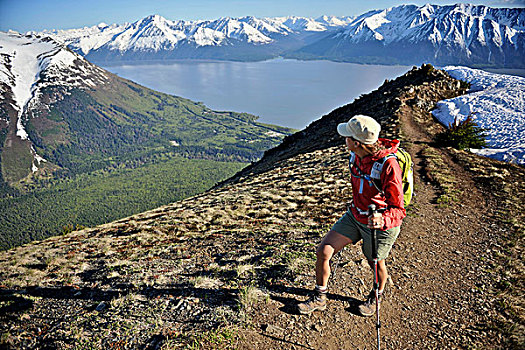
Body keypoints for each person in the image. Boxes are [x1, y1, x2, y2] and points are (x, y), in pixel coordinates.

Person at [298, 114, 406, 316]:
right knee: (324, 251)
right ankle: (320, 297)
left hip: (380, 225)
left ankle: (376, 297)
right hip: (355, 216)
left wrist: (382, 219)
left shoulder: (388, 165)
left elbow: (399, 209)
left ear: (356, 143)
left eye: (347, 137)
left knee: (375, 262)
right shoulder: (356, 156)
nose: (344, 139)